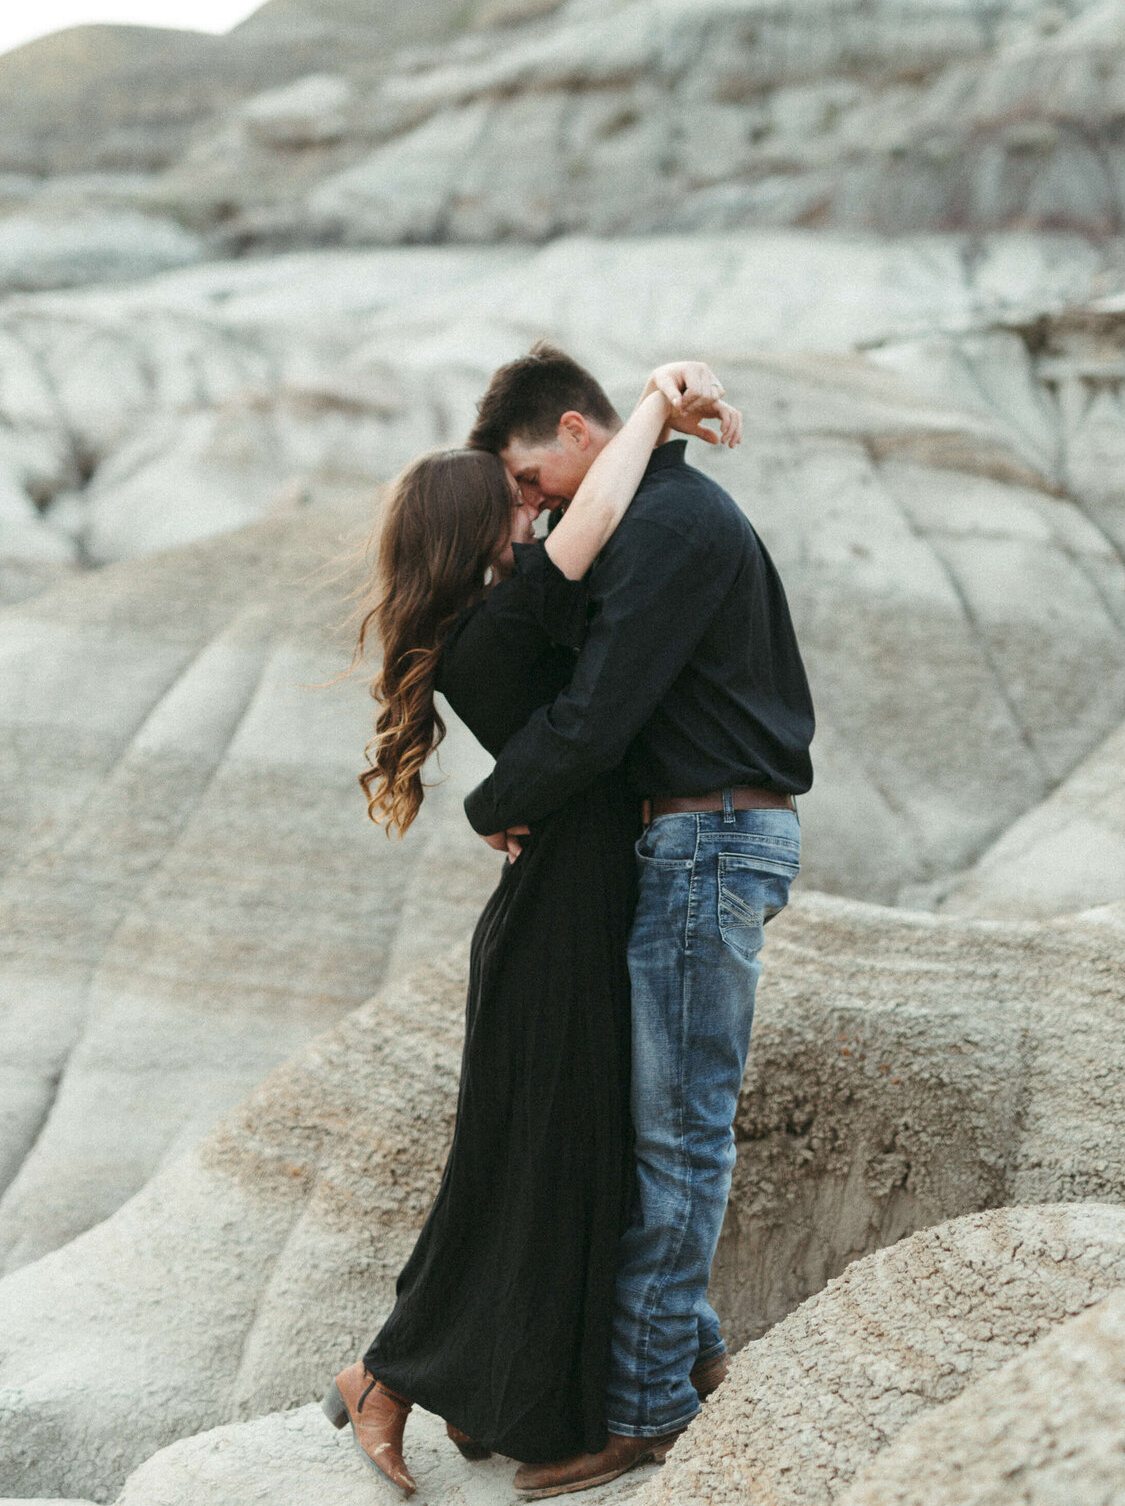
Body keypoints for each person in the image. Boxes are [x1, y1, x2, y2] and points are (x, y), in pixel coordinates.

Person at [321, 361, 741, 1496]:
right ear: (477, 533)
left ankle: (484, 1390)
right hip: (561, 918)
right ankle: (388, 1374)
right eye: (514, 500)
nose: (537, 506)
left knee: (547, 1160)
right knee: (539, 1160)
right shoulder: (503, 624)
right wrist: (658, 399)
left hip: (575, 901)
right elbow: (601, 500)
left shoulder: (490, 625)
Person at [464, 342, 815, 1500]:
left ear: (577, 433)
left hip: (710, 839)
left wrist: (490, 803)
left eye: (530, 481)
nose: (532, 509)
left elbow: (599, 716)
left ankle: (647, 1405)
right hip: (696, 835)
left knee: (678, 1136)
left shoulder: (666, 528)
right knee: (655, 1120)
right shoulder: (649, 511)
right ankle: (692, 1345)